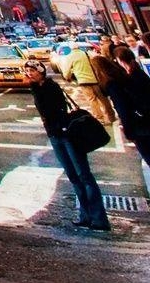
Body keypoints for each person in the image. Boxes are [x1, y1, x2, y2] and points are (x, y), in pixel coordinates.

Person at [26, 59, 111, 231]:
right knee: (73, 175)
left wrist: (59, 126)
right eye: (27, 71)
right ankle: (85, 215)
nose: (29, 74)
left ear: (41, 71)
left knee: (84, 175)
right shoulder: (36, 89)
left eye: (32, 71)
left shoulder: (51, 87)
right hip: (55, 135)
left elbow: (54, 110)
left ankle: (99, 218)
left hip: (67, 134)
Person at [106, 43, 150, 195]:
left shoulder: (128, 78)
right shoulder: (138, 73)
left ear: (119, 60)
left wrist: (129, 130)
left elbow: (127, 107)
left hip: (141, 125)